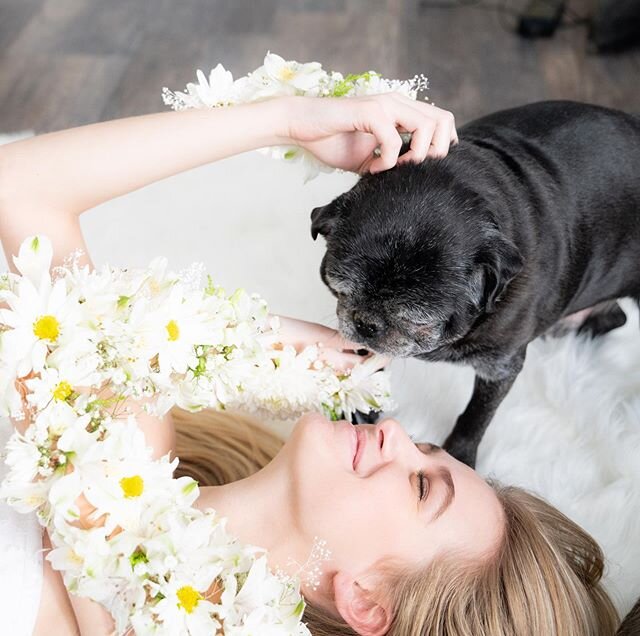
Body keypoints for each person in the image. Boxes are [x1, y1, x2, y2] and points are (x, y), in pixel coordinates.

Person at [0, 93, 619, 635]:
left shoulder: (141, 607)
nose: (399, 433)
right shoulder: (130, 448)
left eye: (422, 485)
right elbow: (19, 186)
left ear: (365, 602)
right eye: (426, 448)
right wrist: (287, 118)